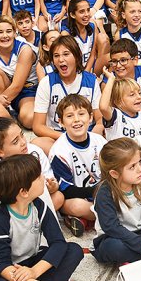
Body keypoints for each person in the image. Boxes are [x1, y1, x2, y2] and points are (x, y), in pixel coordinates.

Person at [0, 154, 83, 281]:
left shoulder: (38, 205)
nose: (43, 177)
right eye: (38, 176)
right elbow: (2, 265)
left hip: (30, 261)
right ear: (24, 192)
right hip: (1, 272)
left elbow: (58, 243)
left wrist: (34, 272)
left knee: (74, 250)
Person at [48, 94, 107, 237]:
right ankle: (92, 217)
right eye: (69, 116)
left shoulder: (99, 141)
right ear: (61, 122)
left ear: (91, 117)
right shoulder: (59, 151)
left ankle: (85, 220)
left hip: (102, 192)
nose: (76, 120)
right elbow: (66, 190)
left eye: (81, 114)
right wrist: (93, 192)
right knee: (76, 206)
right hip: (77, 196)